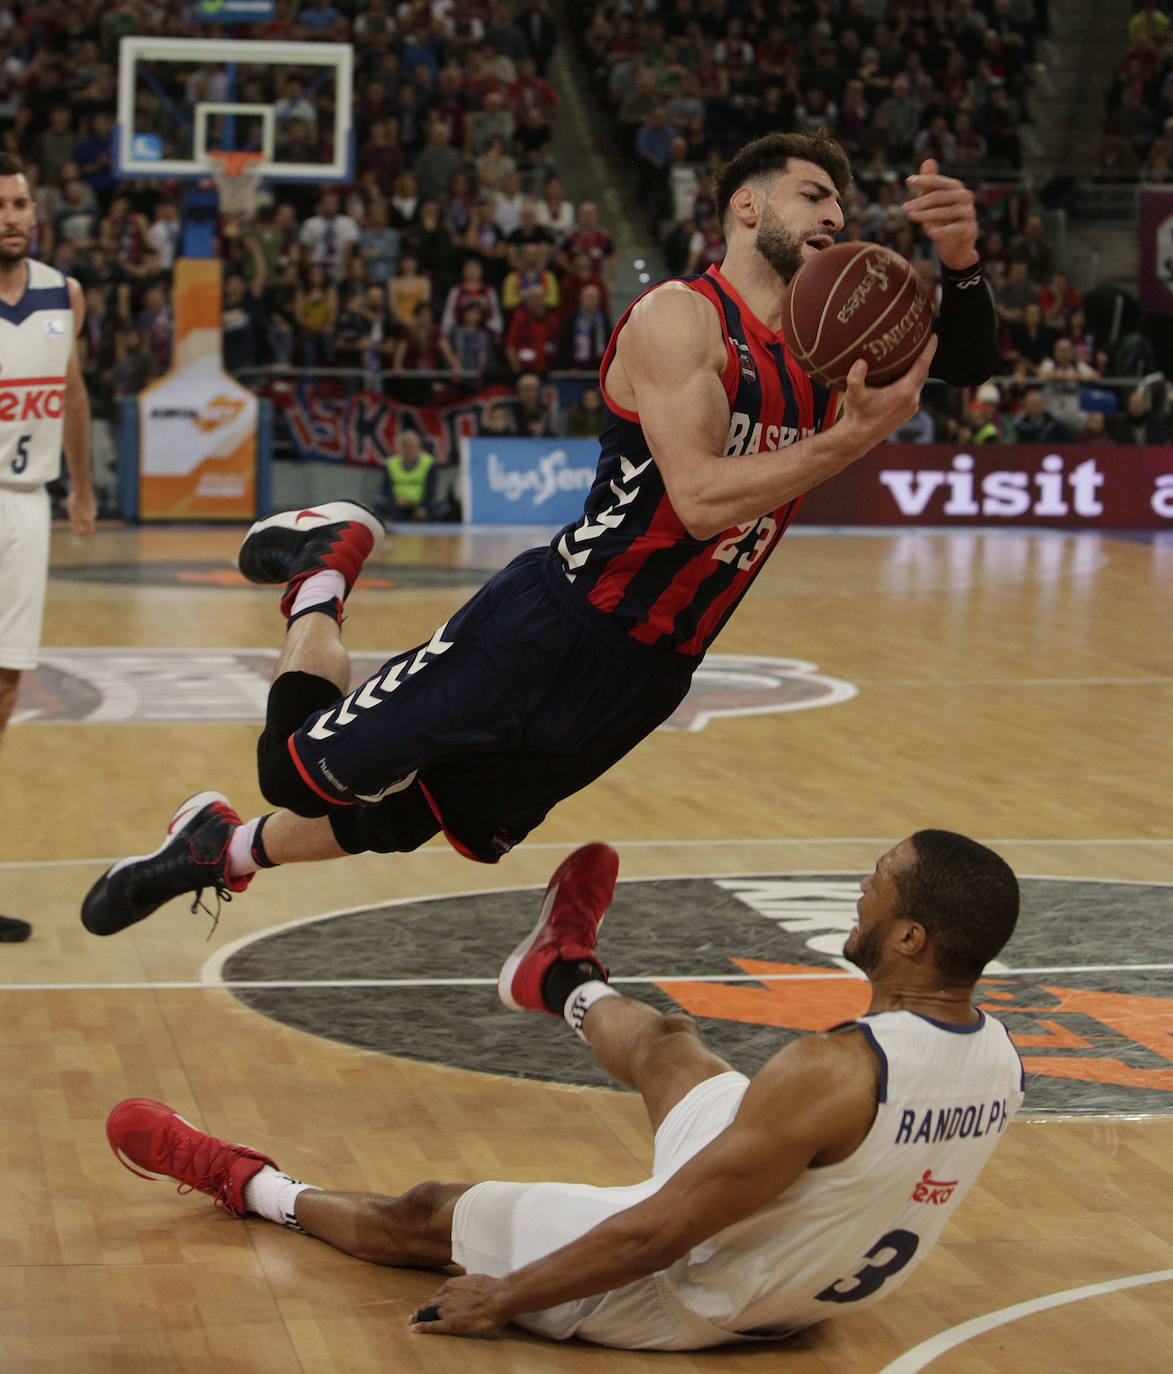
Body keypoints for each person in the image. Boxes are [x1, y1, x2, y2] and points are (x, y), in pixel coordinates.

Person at [79, 132, 998, 937]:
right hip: (551, 626)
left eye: (841, 198)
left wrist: (958, 263)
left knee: (418, 817)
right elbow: (702, 500)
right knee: (294, 774)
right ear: (746, 206)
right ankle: (322, 568)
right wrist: (849, 437)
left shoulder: (820, 350)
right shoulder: (681, 317)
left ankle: (218, 853)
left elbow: (956, 361)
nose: (837, 212)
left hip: (652, 668)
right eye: (813, 193)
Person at [104, 830, 1024, 1349]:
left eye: (873, 887)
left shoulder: (833, 1071)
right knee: (672, 1047)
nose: (857, 894)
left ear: (909, 940)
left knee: (422, 1214)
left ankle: (245, 1183)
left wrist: (504, 1297)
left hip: (700, 1293)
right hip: (814, 1276)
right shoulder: (998, 1059)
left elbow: (660, 1230)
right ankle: (557, 973)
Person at [0, 152, 95, 942]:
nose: (12, 216)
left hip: (28, 505)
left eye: (22, 201)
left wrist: (85, 487)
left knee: (4, 692)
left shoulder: (64, 293)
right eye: (1, 205)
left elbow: (74, 391)